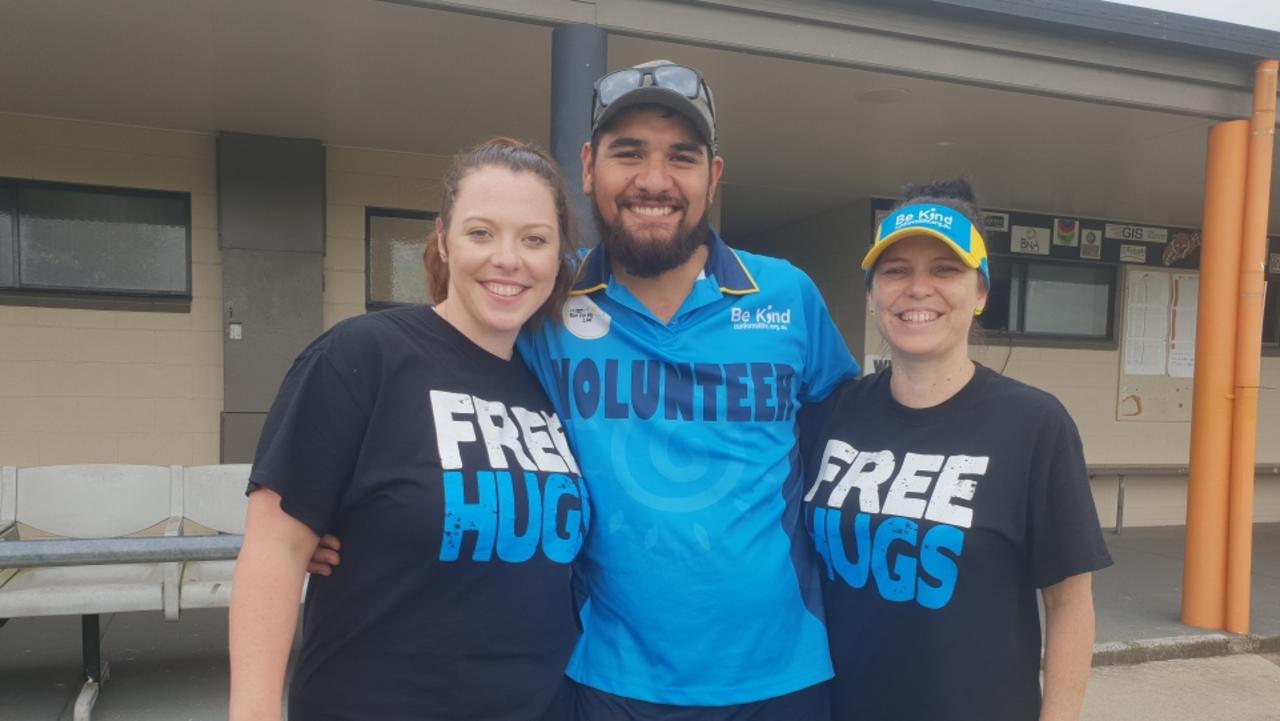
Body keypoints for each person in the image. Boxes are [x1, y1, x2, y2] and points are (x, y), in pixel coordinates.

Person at [310, 61, 860, 719]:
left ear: (713, 177)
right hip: (606, 679)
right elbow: (447, 379)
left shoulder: (788, 295)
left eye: (681, 157)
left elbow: (851, 435)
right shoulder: (545, 298)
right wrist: (350, 514)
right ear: (589, 167)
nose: (653, 180)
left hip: (781, 677)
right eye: (628, 153)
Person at [228, 138, 588, 721]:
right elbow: (275, 546)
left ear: (558, 257)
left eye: (534, 239)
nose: (507, 259)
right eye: (481, 232)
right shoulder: (362, 355)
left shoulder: (555, 383)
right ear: (443, 240)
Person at [802, 179, 1112, 721]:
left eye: (945, 270)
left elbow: (1068, 604)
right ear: (873, 292)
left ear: (981, 293)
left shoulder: (1033, 424)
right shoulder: (832, 414)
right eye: (896, 270)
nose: (918, 288)